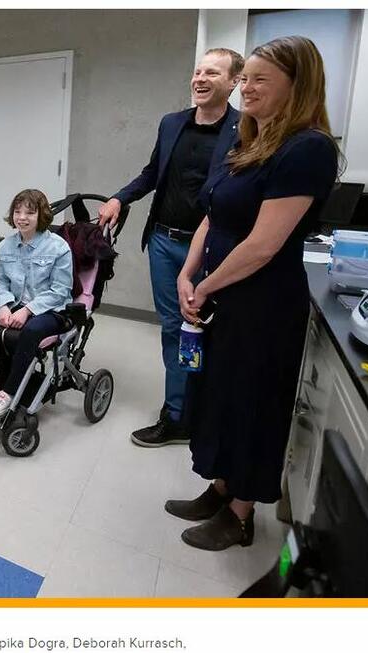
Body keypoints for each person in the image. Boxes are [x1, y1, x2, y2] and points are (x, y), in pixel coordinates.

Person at [165, 36, 339, 551]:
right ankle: (220, 488)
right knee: (219, 396)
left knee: (252, 404)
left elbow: (263, 246)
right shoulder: (247, 141)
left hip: (262, 304)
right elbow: (214, 215)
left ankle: (241, 513)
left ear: (297, 86)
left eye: (260, 79)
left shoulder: (307, 148)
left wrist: (206, 285)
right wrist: (189, 273)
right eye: (246, 78)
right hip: (222, 294)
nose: (247, 88)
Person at [98, 48, 244, 447]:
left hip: (216, 250)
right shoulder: (172, 124)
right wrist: (119, 198)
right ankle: (177, 413)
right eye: (197, 71)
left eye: (212, 73)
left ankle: (204, 410)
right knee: (174, 328)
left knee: (205, 330)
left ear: (233, 82)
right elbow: (151, 173)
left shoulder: (245, 130)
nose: (200, 78)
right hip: (164, 241)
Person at [0, 189, 73, 417]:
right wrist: (3, 306)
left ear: (42, 215)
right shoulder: (6, 246)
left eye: (29, 212)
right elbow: (0, 283)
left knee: (30, 330)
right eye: (17, 211)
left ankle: (8, 392)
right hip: (15, 303)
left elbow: (60, 292)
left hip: (49, 310)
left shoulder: (59, 248)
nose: (22, 217)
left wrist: (28, 310)